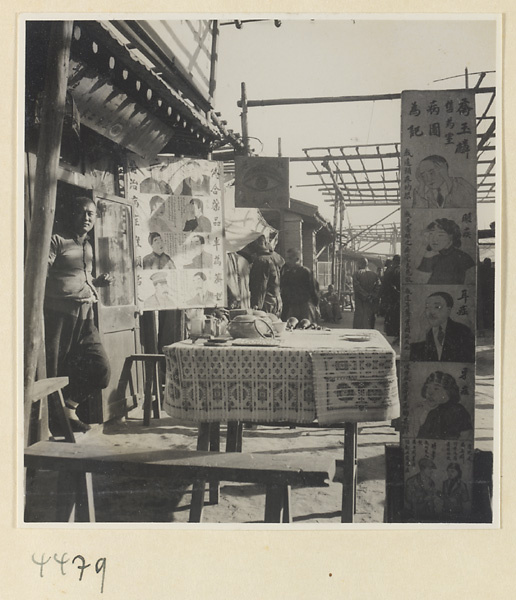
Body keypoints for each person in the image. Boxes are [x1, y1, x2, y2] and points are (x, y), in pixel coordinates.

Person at [44, 196, 112, 432]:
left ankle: (69, 408)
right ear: (72, 213)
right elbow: (40, 276)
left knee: (101, 368)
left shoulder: (88, 246)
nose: (86, 217)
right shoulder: (56, 240)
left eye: (91, 214)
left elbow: (79, 278)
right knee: (54, 370)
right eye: (82, 212)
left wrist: (96, 283)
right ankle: (54, 423)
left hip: (86, 316)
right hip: (61, 315)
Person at [409, 291, 475, 363]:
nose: (431, 312)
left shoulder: (463, 331)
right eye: (427, 307)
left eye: (437, 307)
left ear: (448, 310)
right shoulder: (421, 336)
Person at [417, 371, 473, 439]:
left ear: (448, 391)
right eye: (428, 387)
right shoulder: (432, 412)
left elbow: (466, 436)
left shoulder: (458, 411)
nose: (430, 392)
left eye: (436, 388)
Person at [417, 218, 475, 285]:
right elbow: (420, 277)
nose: (434, 239)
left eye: (440, 235)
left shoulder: (463, 257)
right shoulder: (432, 256)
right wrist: (424, 245)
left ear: (451, 236)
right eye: (431, 234)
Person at [280, 248, 319, 322]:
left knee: (306, 325)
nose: (287, 261)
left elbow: (313, 289)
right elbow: (283, 289)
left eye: (290, 258)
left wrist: (316, 305)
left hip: (304, 306)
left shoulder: (306, 272)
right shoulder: (287, 273)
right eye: (287, 258)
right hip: (291, 307)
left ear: (297, 259)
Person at [249, 235, 283, 317]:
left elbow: (261, 285)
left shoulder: (261, 260)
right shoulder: (276, 258)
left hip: (266, 302)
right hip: (277, 300)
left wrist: (256, 304)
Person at [352, 258, 380, 329]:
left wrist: (365, 295)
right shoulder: (374, 275)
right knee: (369, 318)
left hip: (360, 300)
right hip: (370, 301)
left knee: (359, 319)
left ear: (360, 264)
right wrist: (372, 295)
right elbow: (378, 286)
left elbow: (357, 287)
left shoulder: (356, 274)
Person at [380, 255, 400, 340]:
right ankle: (398, 335)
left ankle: (396, 335)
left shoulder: (390, 270)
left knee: (392, 316)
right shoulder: (401, 270)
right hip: (397, 296)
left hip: (391, 297)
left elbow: (385, 284)